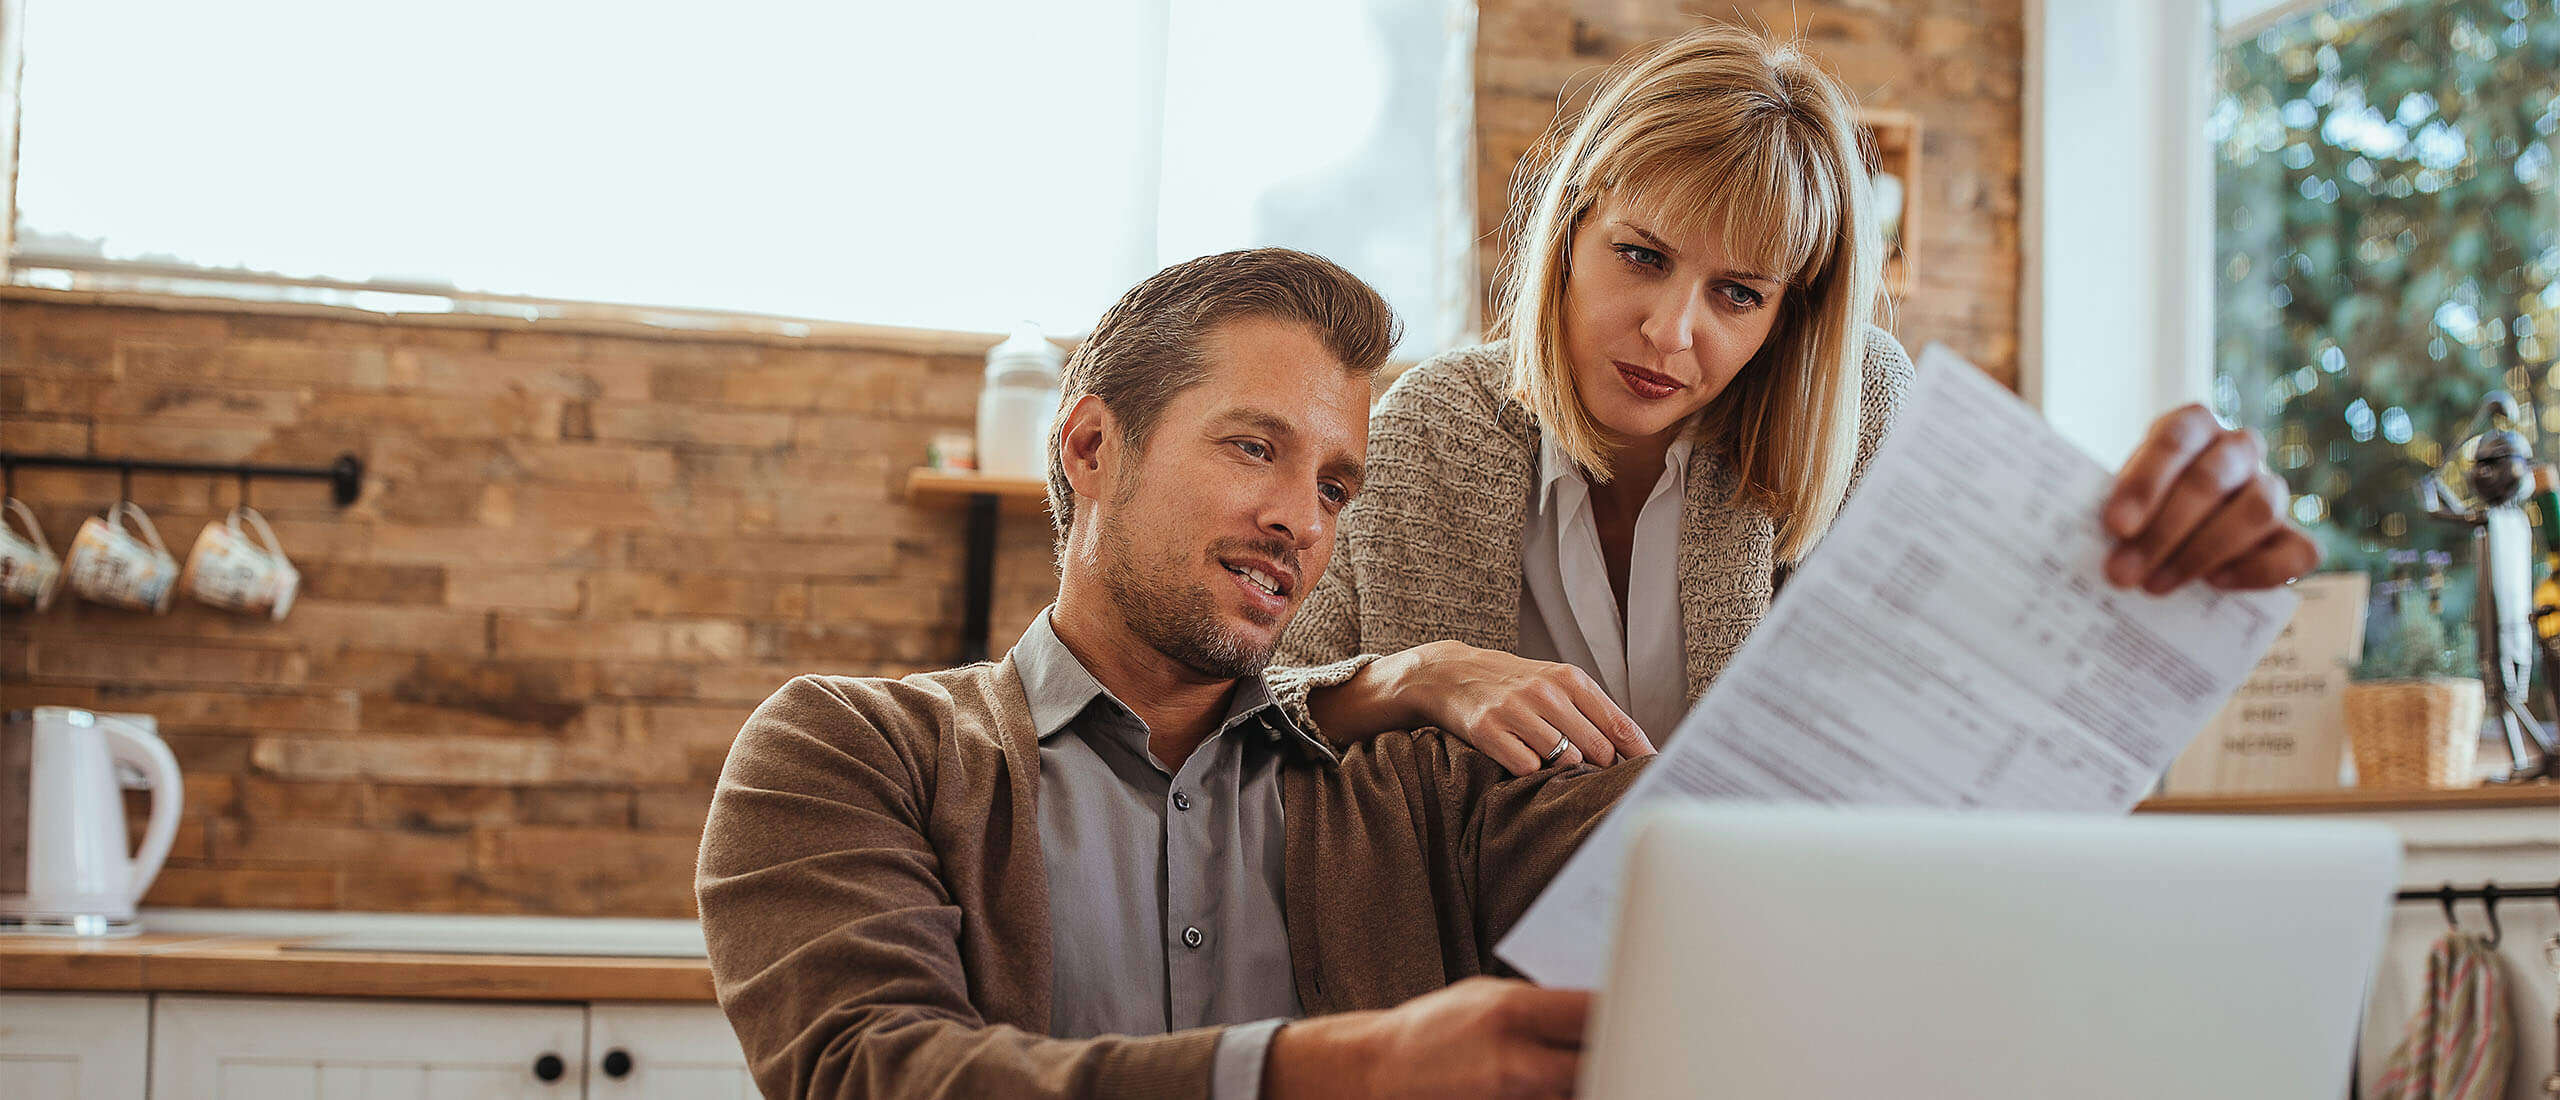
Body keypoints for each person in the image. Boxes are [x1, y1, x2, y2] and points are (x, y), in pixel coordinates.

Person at [697, 248, 1644, 1100]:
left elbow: (1684, 848)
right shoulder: (851, 751)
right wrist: (1349, 1069)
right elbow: (871, 1073)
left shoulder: (1421, 790)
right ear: (1092, 448)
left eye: (1334, 488)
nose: (1302, 522)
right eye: (1255, 448)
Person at [1266, 25, 2319, 774]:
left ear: (1787, 315)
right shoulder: (1427, 429)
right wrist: (1416, 676)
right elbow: (1240, 718)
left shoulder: (1861, 416)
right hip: (1467, 986)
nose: (1672, 331)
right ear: (1570, 234)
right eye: (1641, 255)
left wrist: (2170, 560)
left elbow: (2001, 674)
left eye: (1738, 292)